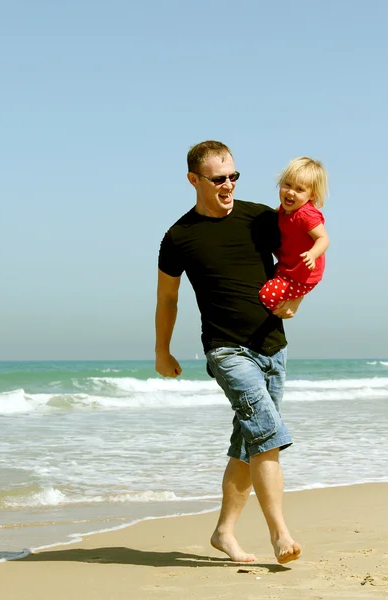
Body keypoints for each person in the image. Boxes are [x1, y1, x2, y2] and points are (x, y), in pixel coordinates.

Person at [155, 140, 302, 565]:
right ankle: (281, 536)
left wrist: (296, 300)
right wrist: (162, 351)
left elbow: (297, 262)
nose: (228, 185)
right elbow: (167, 299)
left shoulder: (259, 218)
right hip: (226, 351)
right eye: (219, 178)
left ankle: (223, 533)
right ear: (194, 180)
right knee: (267, 436)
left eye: (234, 176)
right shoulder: (179, 237)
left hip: (273, 348)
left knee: (249, 442)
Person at [259, 157, 329, 311]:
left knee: (266, 295)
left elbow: (323, 239)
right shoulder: (284, 210)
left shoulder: (306, 215)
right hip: (288, 266)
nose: (290, 192)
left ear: (312, 195)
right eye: (287, 185)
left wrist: (312, 254)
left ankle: (294, 302)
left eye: (299, 189)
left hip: (303, 276)